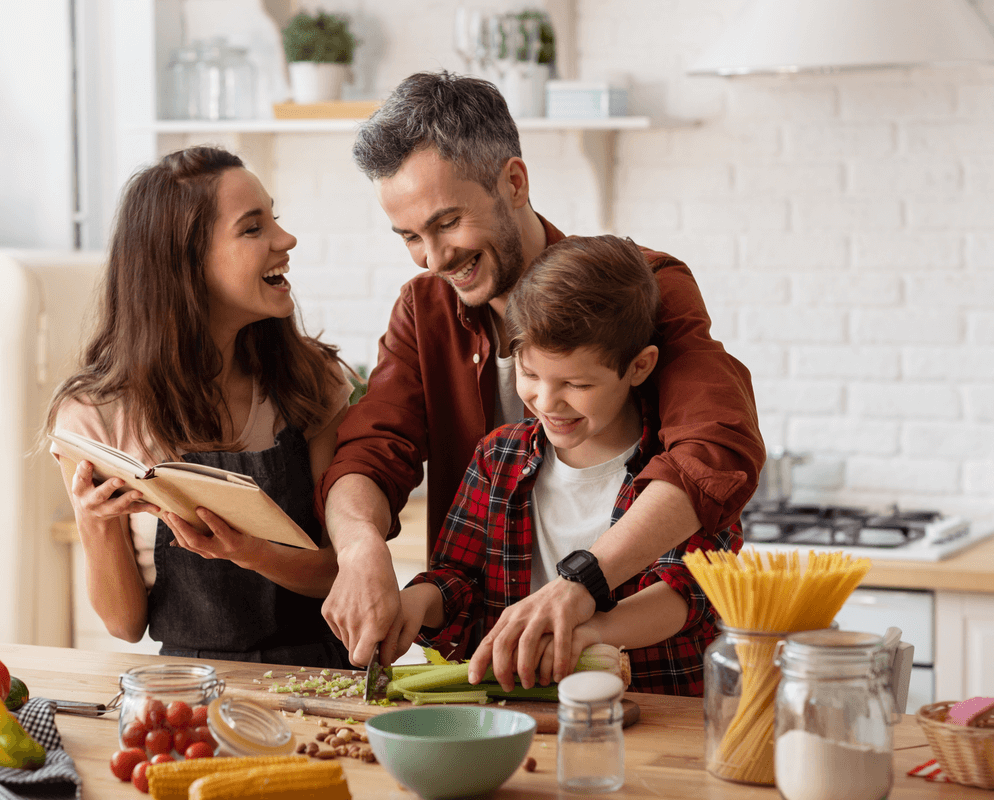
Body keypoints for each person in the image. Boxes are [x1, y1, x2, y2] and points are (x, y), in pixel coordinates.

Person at [316, 71, 765, 688]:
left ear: (514, 182)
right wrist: (362, 547)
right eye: (411, 237)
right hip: (500, 693)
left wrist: (581, 586)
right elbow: (370, 453)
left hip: (652, 687)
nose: (433, 258)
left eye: (447, 223)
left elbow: (715, 449)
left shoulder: (644, 287)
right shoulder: (425, 311)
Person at [45, 145, 353, 668]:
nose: (286, 239)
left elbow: (341, 572)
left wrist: (248, 551)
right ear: (185, 263)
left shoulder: (311, 383)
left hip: (318, 678)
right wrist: (94, 522)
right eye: (253, 228)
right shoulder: (94, 418)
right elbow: (124, 624)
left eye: (273, 218)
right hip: (188, 689)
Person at [397, 235, 740, 696]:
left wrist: (591, 632)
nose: (547, 400)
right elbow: (459, 582)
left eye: (576, 383)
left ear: (639, 367)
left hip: (659, 714)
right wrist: (415, 603)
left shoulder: (679, 470)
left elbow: (690, 592)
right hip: (525, 716)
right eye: (530, 373)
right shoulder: (497, 457)